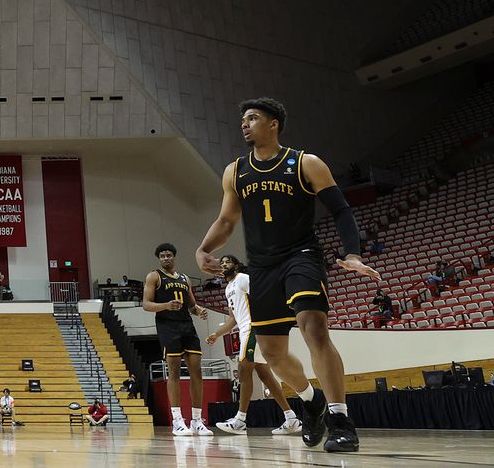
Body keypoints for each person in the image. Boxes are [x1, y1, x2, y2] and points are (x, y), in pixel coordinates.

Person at [195, 97, 379, 453]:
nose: (244, 124)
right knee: (272, 352)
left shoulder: (304, 162)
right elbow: (227, 221)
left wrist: (352, 253)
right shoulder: (235, 170)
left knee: (313, 327)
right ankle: (312, 403)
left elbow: (340, 210)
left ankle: (341, 421)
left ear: (273, 123)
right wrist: (204, 248)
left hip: (302, 256)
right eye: (243, 120)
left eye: (252, 118)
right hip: (261, 265)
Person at [205, 254, 301, 435]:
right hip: (243, 330)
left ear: (236, 265)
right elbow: (233, 319)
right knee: (265, 375)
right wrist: (217, 334)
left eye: (228, 262)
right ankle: (291, 418)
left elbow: (264, 295)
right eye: (222, 263)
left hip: (253, 328)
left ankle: (240, 420)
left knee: (243, 369)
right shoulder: (228, 289)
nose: (224, 264)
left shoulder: (243, 279)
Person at [144, 243, 212, 436]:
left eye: (169, 255)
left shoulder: (184, 278)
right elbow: (146, 305)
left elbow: (192, 305)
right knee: (173, 372)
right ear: (159, 259)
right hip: (168, 327)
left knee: (196, 372)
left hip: (187, 326)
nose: (166, 258)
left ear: (174, 257)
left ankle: (197, 420)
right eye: (162, 256)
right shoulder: (154, 276)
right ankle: (177, 420)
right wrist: (166, 305)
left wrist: (200, 311)